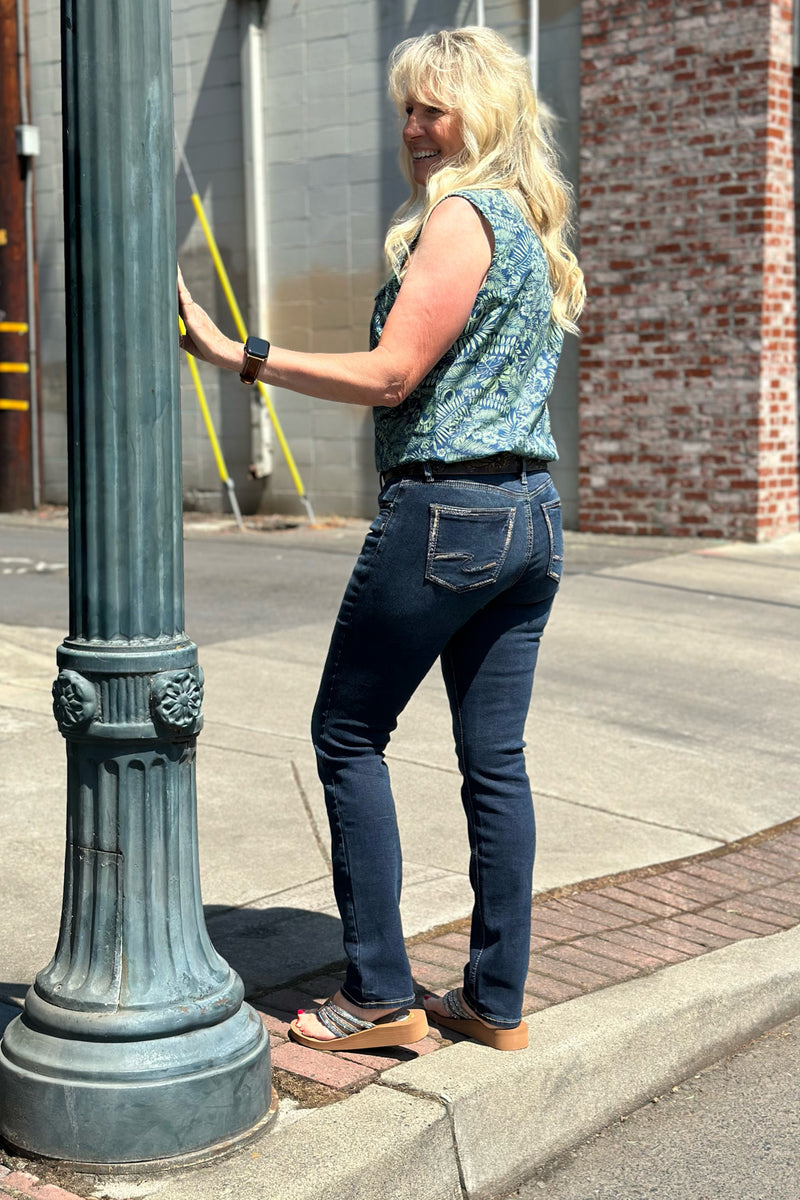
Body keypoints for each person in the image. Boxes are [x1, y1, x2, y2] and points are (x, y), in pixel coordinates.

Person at [178, 26, 584, 1054]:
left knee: (348, 736)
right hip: (529, 513)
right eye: (405, 107)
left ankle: (375, 996)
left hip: (446, 513)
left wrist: (243, 353)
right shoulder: (531, 229)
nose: (411, 127)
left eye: (432, 109)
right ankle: (493, 1004)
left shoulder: (460, 216)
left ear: (478, 115)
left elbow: (392, 374)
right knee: (495, 762)